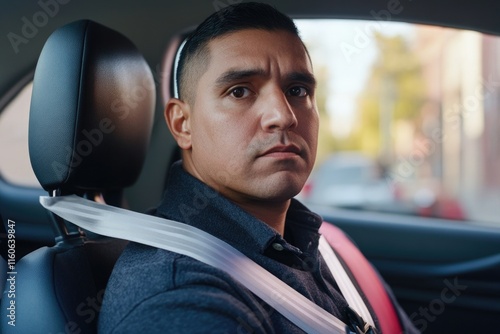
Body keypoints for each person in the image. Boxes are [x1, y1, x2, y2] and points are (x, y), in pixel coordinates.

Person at [99, 3, 418, 333]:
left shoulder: (323, 245)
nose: (283, 115)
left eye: (297, 90)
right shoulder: (179, 299)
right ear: (183, 124)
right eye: (240, 91)